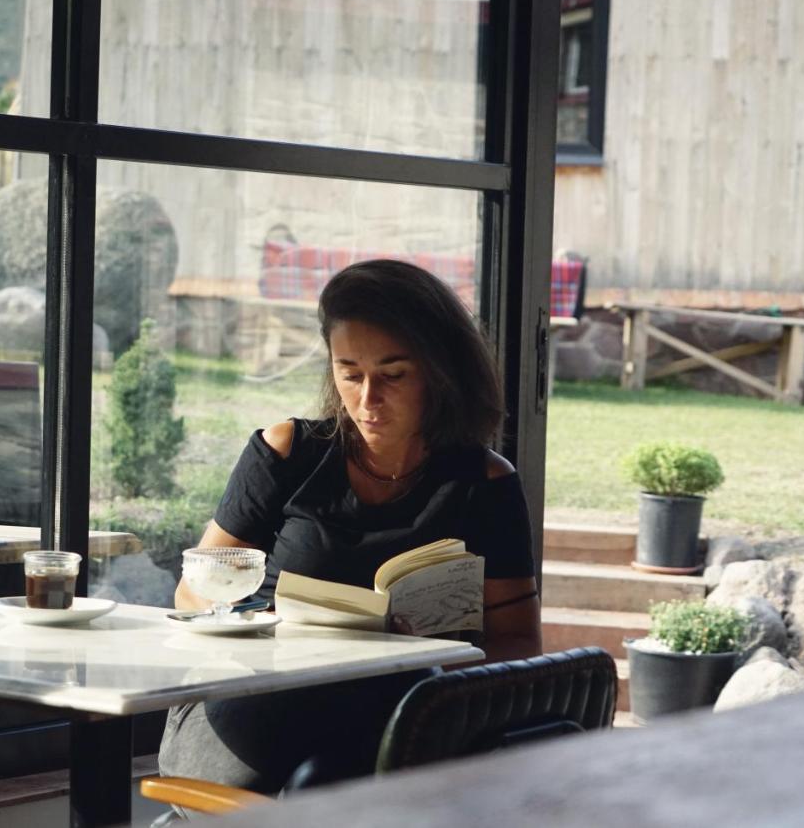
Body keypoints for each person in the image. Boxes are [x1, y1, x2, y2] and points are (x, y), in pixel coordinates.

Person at [159, 258, 541, 796]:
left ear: (439, 369)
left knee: (341, 786)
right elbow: (193, 590)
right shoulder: (287, 452)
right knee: (287, 788)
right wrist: (258, 621)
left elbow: (520, 641)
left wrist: (428, 658)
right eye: (349, 373)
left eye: (393, 374)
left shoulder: (483, 482)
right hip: (257, 688)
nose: (367, 399)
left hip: (391, 707)